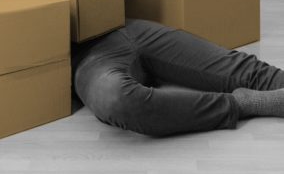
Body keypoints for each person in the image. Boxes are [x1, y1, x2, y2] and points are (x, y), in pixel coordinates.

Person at [71, 19, 284, 137]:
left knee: (248, 70)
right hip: (85, 58)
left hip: (121, 26)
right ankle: (244, 103)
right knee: (120, 100)